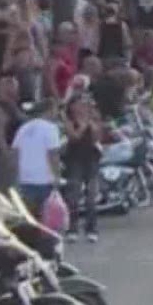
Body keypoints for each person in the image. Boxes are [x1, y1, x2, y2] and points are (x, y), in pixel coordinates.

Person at [10, 97, 64, 221]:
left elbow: (15, 152)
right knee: (46, 215)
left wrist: (17, 174)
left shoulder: (23, 128)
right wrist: (57, 175)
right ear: (49, 110)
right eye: (55, 110)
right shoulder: (51, 128)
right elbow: (53, 154)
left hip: (25, 178)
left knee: (30, 215)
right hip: (44, 178)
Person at [60, 95, 103, 242]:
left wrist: (92, 122)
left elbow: (97, 137)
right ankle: (73, 228)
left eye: (84, 104)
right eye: (78, 104)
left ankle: (92, 228)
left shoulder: (93, 118)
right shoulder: (68, 121)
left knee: (91, 195)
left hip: (91, 158)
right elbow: (74, 137)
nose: (82, 107)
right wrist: (82, 125)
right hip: (74, 159)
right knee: (74, 196)